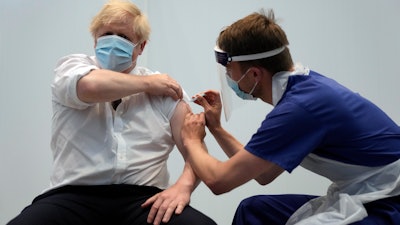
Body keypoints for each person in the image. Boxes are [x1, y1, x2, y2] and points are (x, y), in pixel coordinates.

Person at [180, 9, 400, 225]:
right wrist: (216, 128)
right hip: (371, 193)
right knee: (254, 211)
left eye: (229, 71)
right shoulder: (304, 89)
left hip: (389, 202)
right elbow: (263, 174)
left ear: (255, 73)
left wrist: (191, 140)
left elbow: (219, 181)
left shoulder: (299, 109)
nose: (228, 78)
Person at [7, 1, 216, 225]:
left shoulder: (166, 90)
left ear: (141, 47)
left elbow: (195, 149)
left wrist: (183, 187)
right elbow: (90, 87)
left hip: (145, 200)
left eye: (124, 37)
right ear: (95, 39)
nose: (114, 41)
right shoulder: (71, 68)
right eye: (107, 34)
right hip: (72, 196)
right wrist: (147, 84)